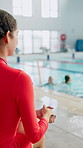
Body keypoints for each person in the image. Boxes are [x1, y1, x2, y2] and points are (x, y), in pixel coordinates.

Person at [0, 10, 56, 148]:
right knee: (39, 138)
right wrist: (46, 117)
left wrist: (32, 113)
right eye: (17, 35)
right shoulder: (19, 79)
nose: (18, 40)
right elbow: (34, 134)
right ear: (7, 37)